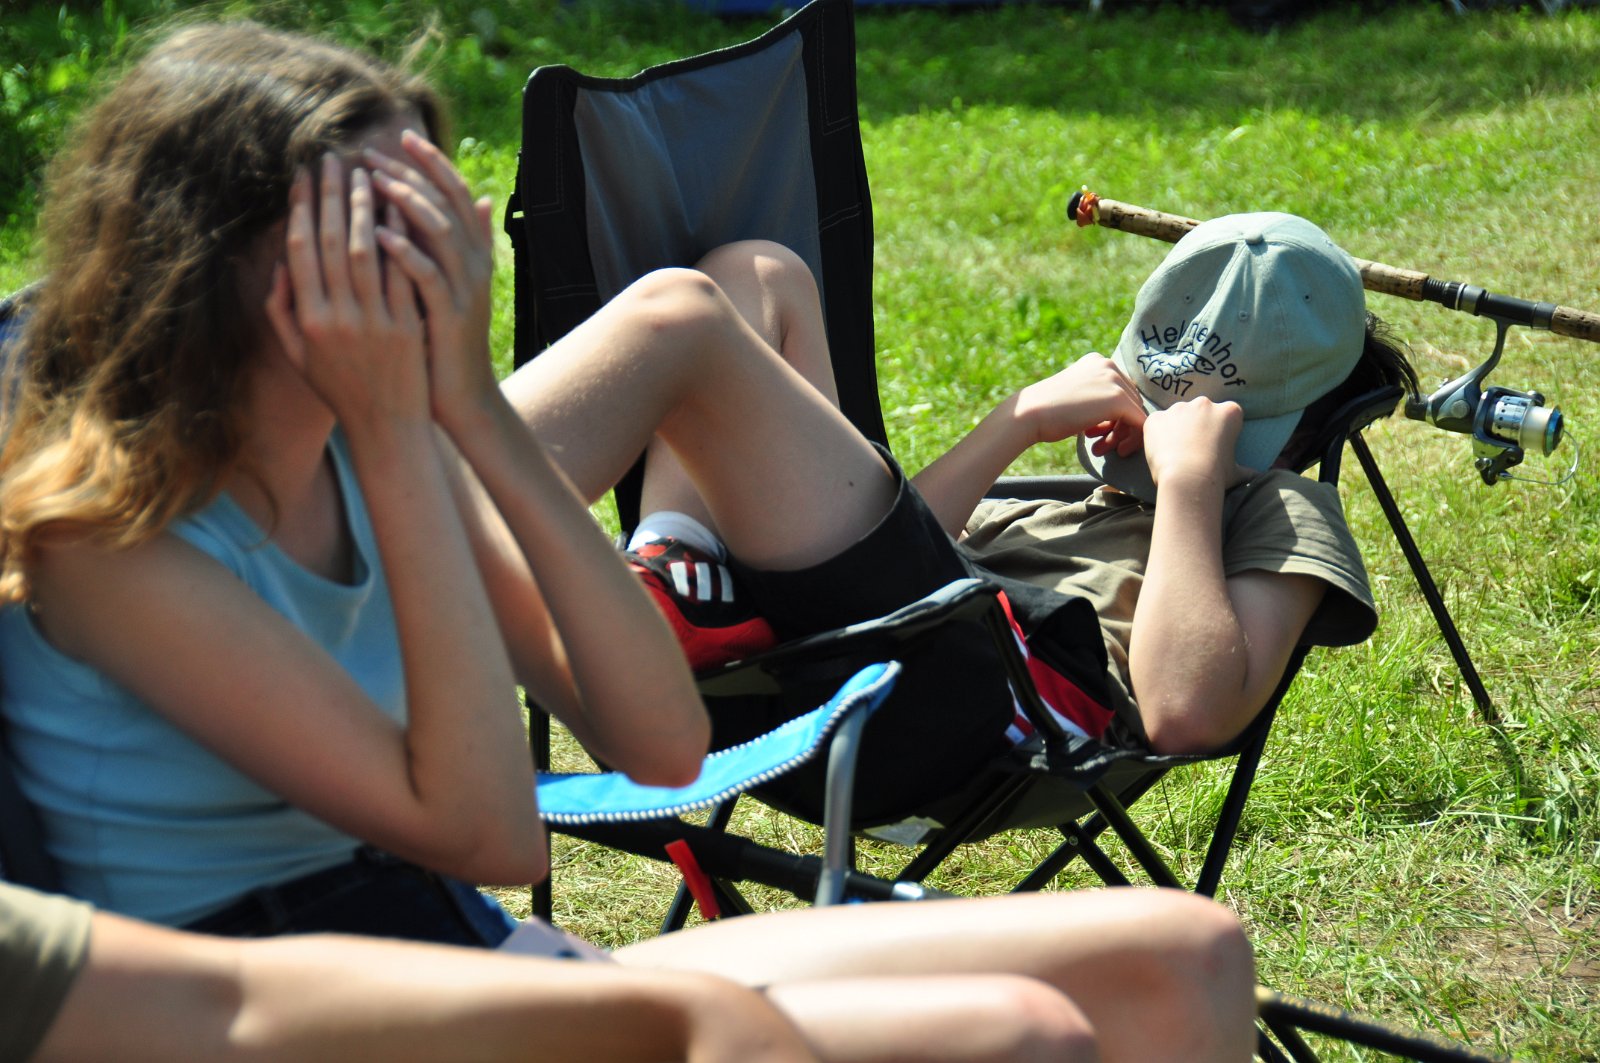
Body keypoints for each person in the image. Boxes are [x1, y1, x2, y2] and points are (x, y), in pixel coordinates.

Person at [0, 20, 1257, 1062]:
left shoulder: (377, 456)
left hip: (455, 956)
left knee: (1182, 952)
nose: (426, 269)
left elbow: (660, 744)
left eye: (432, 220)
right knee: (1015, 1035)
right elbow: (494, 837)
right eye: (375, 232)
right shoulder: (107, 538)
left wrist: (469, 412)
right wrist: (399, 441)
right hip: (286, 996)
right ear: (223, 261)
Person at [503, 215, 1417, 823]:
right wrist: (1015, 422)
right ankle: (677, 576)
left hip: (969, 706)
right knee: (759, 272)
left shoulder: (1280, 509)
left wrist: (1189, 487)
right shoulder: (1080, 502)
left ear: (1287, 434)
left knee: (685, 317)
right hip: (877, 640)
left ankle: (435, 526)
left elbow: (1185, 715)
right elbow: (909, 540)